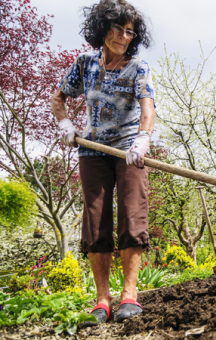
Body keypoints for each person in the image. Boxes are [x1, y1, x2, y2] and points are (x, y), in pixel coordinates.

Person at [51, 0, 155, 325]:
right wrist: (66, 124)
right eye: (117, 28)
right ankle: (102, 302)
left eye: (129, 31)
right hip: (92, 150)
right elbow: (59, 98)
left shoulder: (138, 67)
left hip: (128, 150)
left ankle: (129, 296)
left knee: (131, 214)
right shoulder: (85, 64)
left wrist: (143, 138)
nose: (123, 36)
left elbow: (147, 106)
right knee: (95, 223)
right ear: (102, 27)